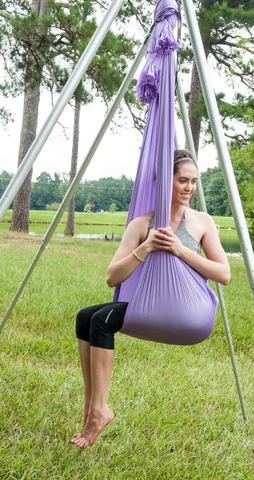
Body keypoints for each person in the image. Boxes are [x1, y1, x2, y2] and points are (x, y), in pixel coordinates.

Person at [71, 149, 231, 449]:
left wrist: (180, 250)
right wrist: (144, 249)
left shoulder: (202, 222)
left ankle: (100, 408)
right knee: (85, 317)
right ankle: (92, 406)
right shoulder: (141, 224)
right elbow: (112, 278)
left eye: (194, 182)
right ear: (162, 183)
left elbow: (224, 274)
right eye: (183, 180)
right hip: (152, 306)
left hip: (191, 312)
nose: (189, 188)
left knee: (103, 321)